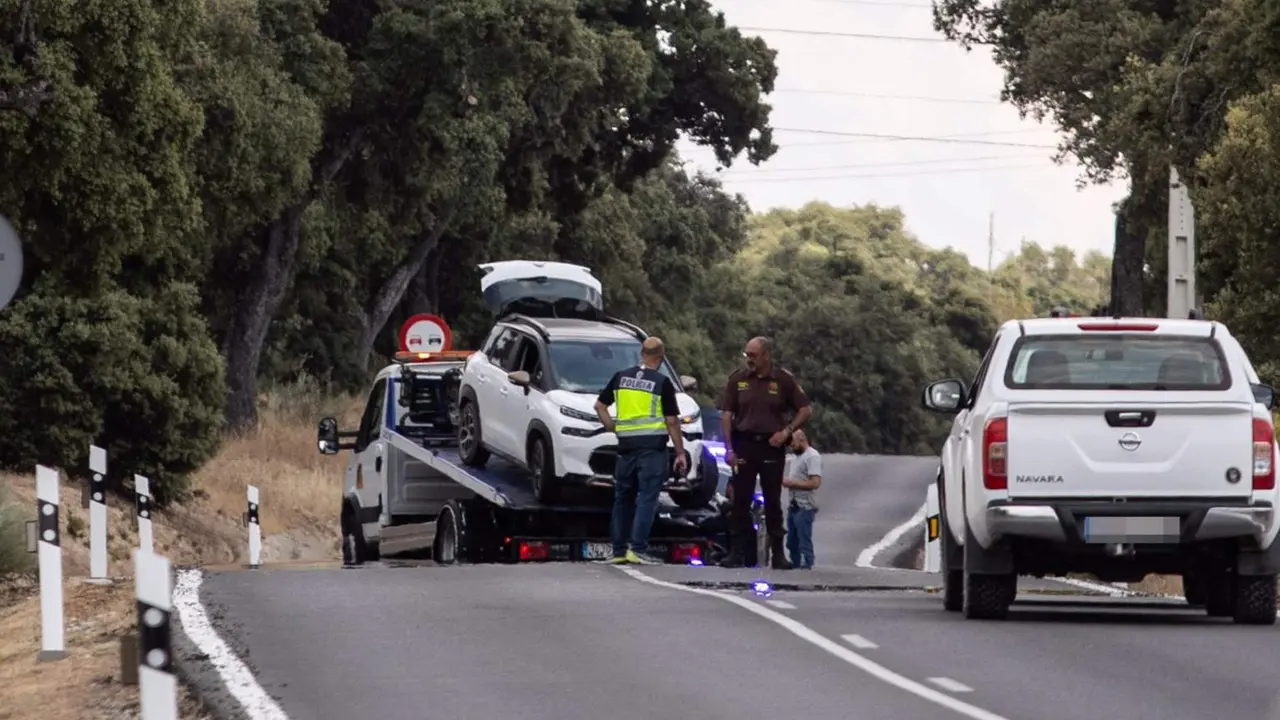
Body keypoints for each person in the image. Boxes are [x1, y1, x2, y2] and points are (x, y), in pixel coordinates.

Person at [717, 336, 812, 569]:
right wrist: (728, 448)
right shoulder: (738, 379)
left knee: (772, 500)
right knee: (740, 499)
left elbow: (805, 409)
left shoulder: (782, 380)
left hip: (770, 446)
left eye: (753, 355)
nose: (749, 359)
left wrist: (787, 431)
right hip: (744, 444)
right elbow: (727, 414)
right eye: (746, 354)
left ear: (766, 355)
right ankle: (736, 552)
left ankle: (778, 554)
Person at [594, 336, 689, 565]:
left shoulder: (621, 377)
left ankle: (618, 551)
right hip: (651, 449)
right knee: (647, 498)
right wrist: (680, 452)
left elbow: (600, 406)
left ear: (641, 353)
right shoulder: (661, 382)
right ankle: (637, 549)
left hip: (625, 448)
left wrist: (613, 428)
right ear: (661, 357)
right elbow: (672, 421)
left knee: (622, 499)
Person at [783, 429, 821, 569]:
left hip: (805, 506)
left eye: (793, 442)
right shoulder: (797, 457)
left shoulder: (812, 457)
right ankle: (795, 564)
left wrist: (793, 483)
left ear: (801, 440)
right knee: (791, 541)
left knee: (804, 539)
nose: (791, 446)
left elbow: (815, 483)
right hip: (793, 504)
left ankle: (807, 565)